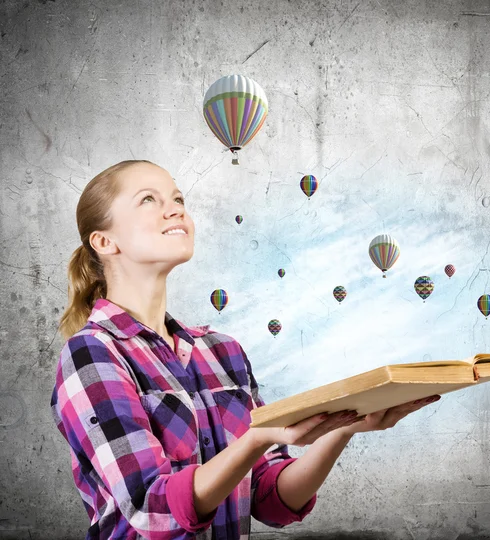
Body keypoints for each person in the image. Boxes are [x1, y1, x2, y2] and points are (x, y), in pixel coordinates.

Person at [50, 160, 441, 540]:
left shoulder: (223, 351)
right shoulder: (91, 354)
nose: (175, 210)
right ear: (104, 241)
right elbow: (152, 510)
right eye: (149, 200)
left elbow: (270, 499)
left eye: (179, 199)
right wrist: (258, 438)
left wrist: (344, 428)